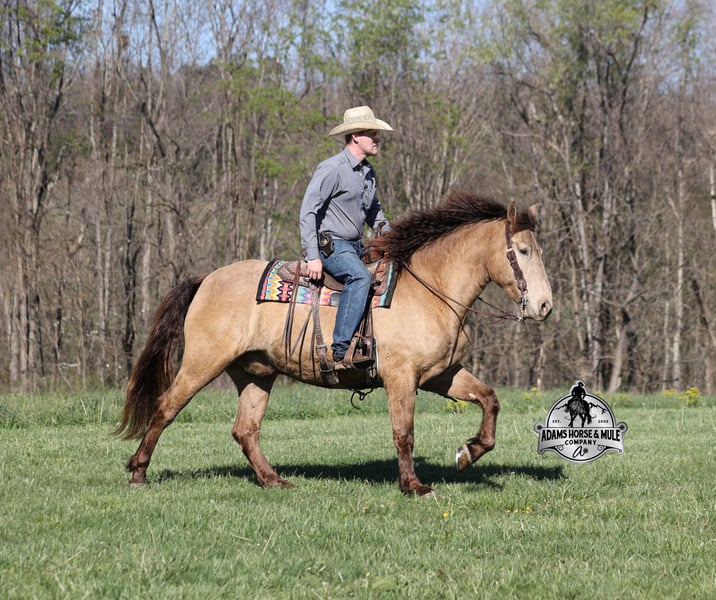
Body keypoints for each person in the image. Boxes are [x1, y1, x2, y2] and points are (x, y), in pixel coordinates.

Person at [299, 106, 394, 370]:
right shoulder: (332, 168)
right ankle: (341, 352)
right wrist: (313, 255)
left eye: (376, 133)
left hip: (354, 245)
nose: (377, 138)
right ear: (355, 136)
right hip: (330, 245)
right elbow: (308, 211)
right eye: (371, 133)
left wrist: (395, 239)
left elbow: (374, 212)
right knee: (360, 277)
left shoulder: (368, 172)